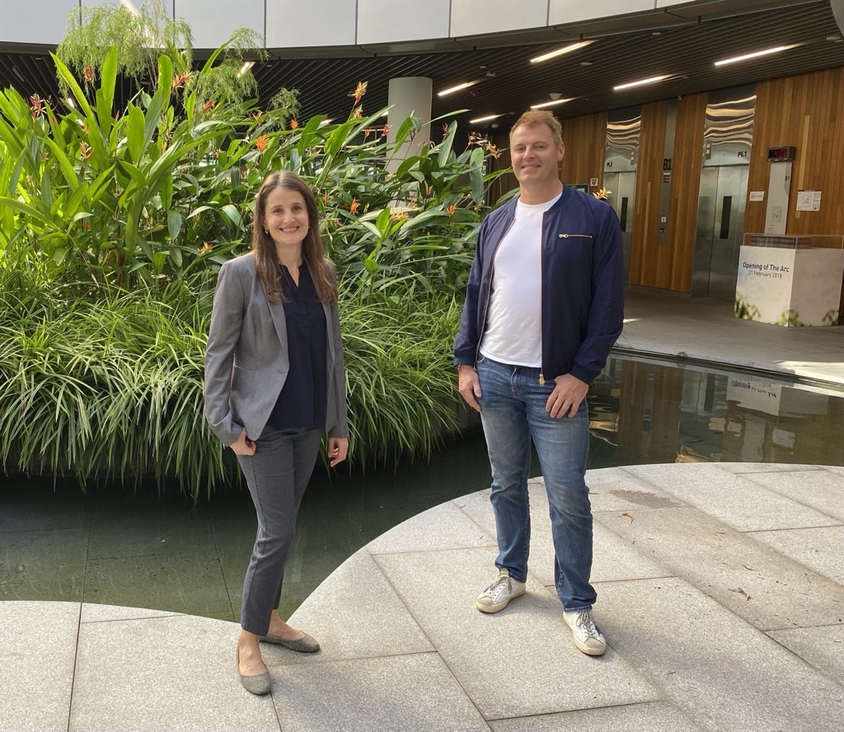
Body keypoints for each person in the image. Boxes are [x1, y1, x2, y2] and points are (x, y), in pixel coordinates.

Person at [454, 110, 624, 656]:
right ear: (511, 154)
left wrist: (581, 374)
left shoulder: (593, 218)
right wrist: (466, 362)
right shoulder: (498, 220)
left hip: (555, 383)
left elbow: (607, 307)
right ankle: (512, 572)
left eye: (539, 146)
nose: (528, 156)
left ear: (560, 150)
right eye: (520, 148)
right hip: (495, 373)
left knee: (568, 495)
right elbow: (476, 292)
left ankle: (577, 602)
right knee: (505, 483)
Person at [204, 171, 349, 694]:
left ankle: (269, 618)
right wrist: (224, 425)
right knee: (277, 530)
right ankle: (248, 639)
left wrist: (338, 424)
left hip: (308, 422)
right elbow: (218, 354)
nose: (289, 219)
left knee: (282, 528)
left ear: (309, 217)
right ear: (263, 223)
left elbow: (333, 356)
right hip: (260, 427)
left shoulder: (322, 272)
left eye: (297, 209)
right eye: (278, 211)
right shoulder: (241, 273)